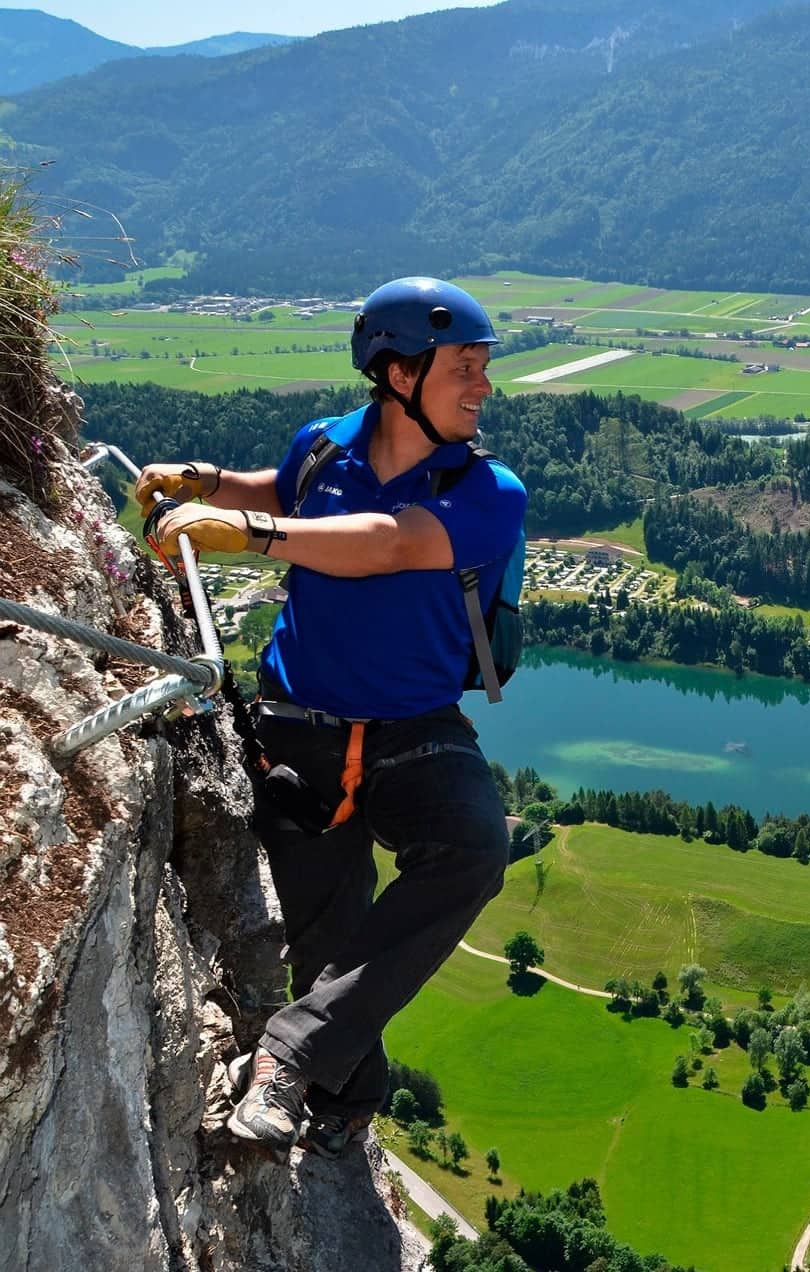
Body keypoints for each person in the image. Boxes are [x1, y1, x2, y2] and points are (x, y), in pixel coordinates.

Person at [135, 277, 525, 1158]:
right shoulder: (321, 449)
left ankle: (287, 1057)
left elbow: (390, 542)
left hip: (413, 727)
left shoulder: (490, 490)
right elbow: (287, 490)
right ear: (397, 373)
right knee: (326, 943)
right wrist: (209, 482)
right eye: (465, 367)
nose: (483, 386)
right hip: (298, 725)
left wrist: (245, 532)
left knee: (472, 847)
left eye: (483, 368)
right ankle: (347, 1103)